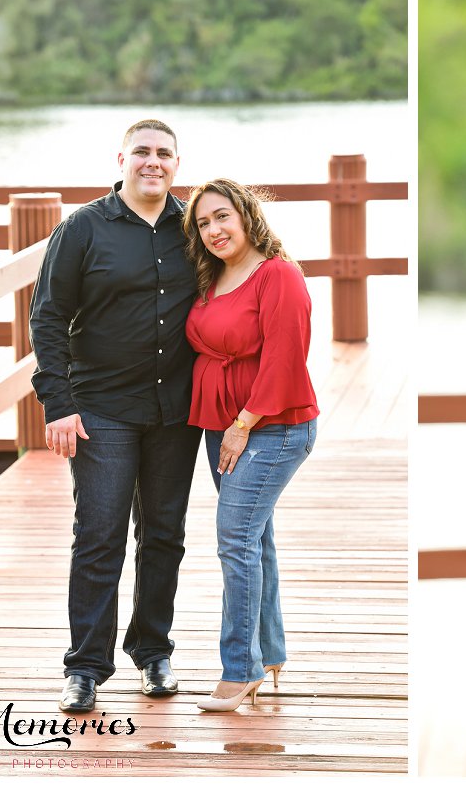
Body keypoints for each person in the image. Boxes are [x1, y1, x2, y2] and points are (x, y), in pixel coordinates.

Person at [32, 119, 199, 714]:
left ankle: (153, 651)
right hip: (102, 406)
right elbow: (48, 316)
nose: (153, 162)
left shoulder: (194, 227)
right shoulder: (83, 228)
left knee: (163, 534)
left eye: (164, 154)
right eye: (142, 153)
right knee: (98, 535)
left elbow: (245, 274)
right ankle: (85, 667)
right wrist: (58, 401)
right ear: (122, 158)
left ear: (177, 164)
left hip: (177, 410)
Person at [180, 178, 319, 712]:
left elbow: (286, 359)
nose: (214, 230)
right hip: (222, 424)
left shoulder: (277, 276)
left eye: (222, 217)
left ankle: (239, 671)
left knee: (235, 539)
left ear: (246, 216)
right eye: (203, 223)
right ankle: (270, 652)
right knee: (255, 539)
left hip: (273, 428)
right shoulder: (212, 276)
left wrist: (242, 424)